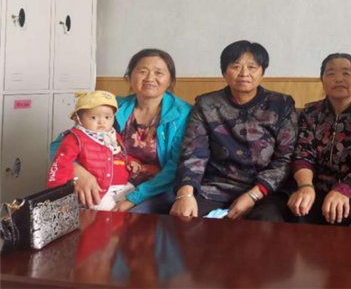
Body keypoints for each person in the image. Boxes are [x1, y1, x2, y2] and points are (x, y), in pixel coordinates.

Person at [50, 49, 193, 214]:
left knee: (122, 218)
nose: (149, 78)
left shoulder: (182, 114)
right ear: (130, 76)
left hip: (157, 189)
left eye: (158, 73)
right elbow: (62, 143)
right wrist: (76, 170)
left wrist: (133, 199)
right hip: (108, 182)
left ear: (170, 80)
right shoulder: (112, 106)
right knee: (68, 213)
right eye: (142, 71)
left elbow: (177, 165)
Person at [171, 40, 297, 222]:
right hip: (215, 188)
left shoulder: (281, 105)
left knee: (267, 225)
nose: (244, 73)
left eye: (252, 67)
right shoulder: (206, 105)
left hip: (266, 191)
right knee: (185, 222)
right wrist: (185, 194)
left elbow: (285, 159)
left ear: (262, 72)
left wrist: (254, 195)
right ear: (224, 72)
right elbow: (193, 151)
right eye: (236, 66)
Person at [287, 53, 351, 226]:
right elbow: (303, 153)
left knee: (341, 216)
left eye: (346, 73)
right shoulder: (311, 112)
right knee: (297, 213)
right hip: (315, 187)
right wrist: (305, 186)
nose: (338, 79)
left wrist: (344, 189)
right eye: (330, 73)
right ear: (322, 81)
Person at [48, 91, 138, 210]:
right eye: (94, 117)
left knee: (134, 200)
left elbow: (119, 154)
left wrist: (131, 161)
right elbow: (61, 164)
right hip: (98, 190)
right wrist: (57, 195)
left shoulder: (113, 135)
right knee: (111, 212)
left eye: (107, 117)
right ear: (77, 119)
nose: (102, 122)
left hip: (121, 185)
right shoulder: (75, 138)